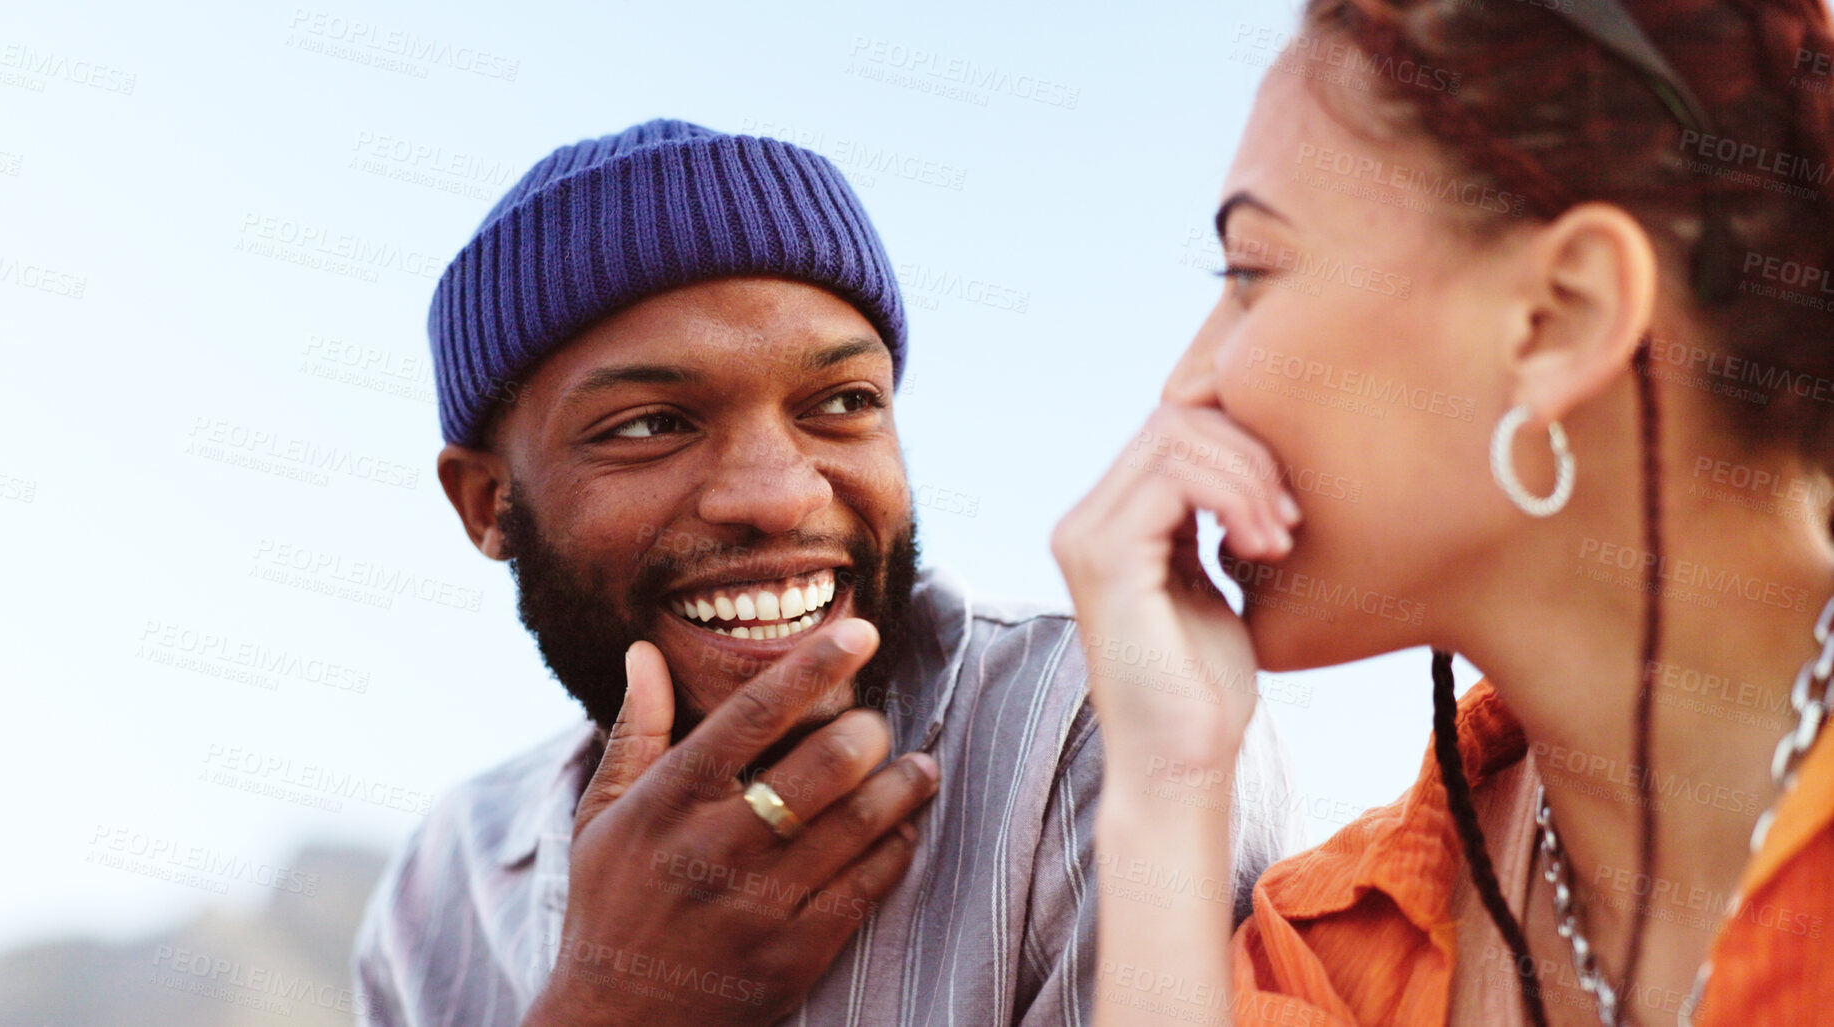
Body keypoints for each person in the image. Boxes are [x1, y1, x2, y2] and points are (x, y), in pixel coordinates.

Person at [351, 119, 1300, 1027]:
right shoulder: (444, 884)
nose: (777, 494)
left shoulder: (1101, 725)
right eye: (648, 424)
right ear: (486, 503)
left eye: (842, 402)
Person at [1055, 0, 1834, 1024]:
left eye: (1250, 272)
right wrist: (1163, 786)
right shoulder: (1331, 950)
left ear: (1562, 320)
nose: (1184, 386)